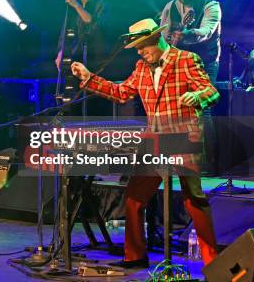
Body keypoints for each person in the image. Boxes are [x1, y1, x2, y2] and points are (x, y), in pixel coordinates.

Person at [71, 18, 219, 268]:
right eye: (137, 48)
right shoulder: (141, 68)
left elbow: (212, 92)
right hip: (155, 142)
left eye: (143, 46)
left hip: (183, 137)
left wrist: (196, 96)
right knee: (134, 198)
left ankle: (212, 262)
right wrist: (89, 78)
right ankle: (135, 256)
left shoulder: (185, 60)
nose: (140, 52)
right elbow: (120, 93)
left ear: (157, 39)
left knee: (193, 199)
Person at [159, 0, 221, 83]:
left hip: (205, 64)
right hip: (179, 65)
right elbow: (163, 37)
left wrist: (189, 34)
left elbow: (206, 32)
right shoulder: (170, 6)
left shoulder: (211, 6)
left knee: (203, 100)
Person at [55, 0, 108, 72]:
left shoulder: (101, 3)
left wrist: (76, 5)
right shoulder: (73, 9)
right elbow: (66, 32)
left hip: (98, 62)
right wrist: (61, 51)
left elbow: (94, 26)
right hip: (79, 61)